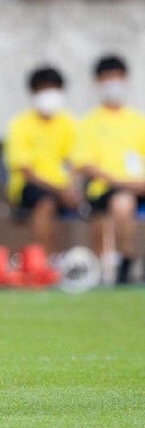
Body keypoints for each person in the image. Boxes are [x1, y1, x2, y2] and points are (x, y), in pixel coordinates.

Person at [72, 55, 145, 284]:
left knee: (126, 200)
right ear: (98, 82)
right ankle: (126, 261)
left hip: (139, 187)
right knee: (122, 203)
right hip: (104, 190)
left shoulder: (137, 121)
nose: (113, 82)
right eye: (108, 77)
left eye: (117, 76)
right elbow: (83, 164)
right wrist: (121, 182)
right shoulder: (89, 123)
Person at [2, 66, 82, 253]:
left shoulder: (69, 123)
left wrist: (73, 188)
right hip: (28, 188)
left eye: (53, 88)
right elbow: (26, 172)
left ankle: (105, 264)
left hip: (65, 188)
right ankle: (45, 258)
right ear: (33, 92)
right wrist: (60, 191)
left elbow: (77, 163)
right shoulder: (20, 124)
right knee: (46, 202)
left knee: (97, 201)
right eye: (43, 89)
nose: (49, 94)